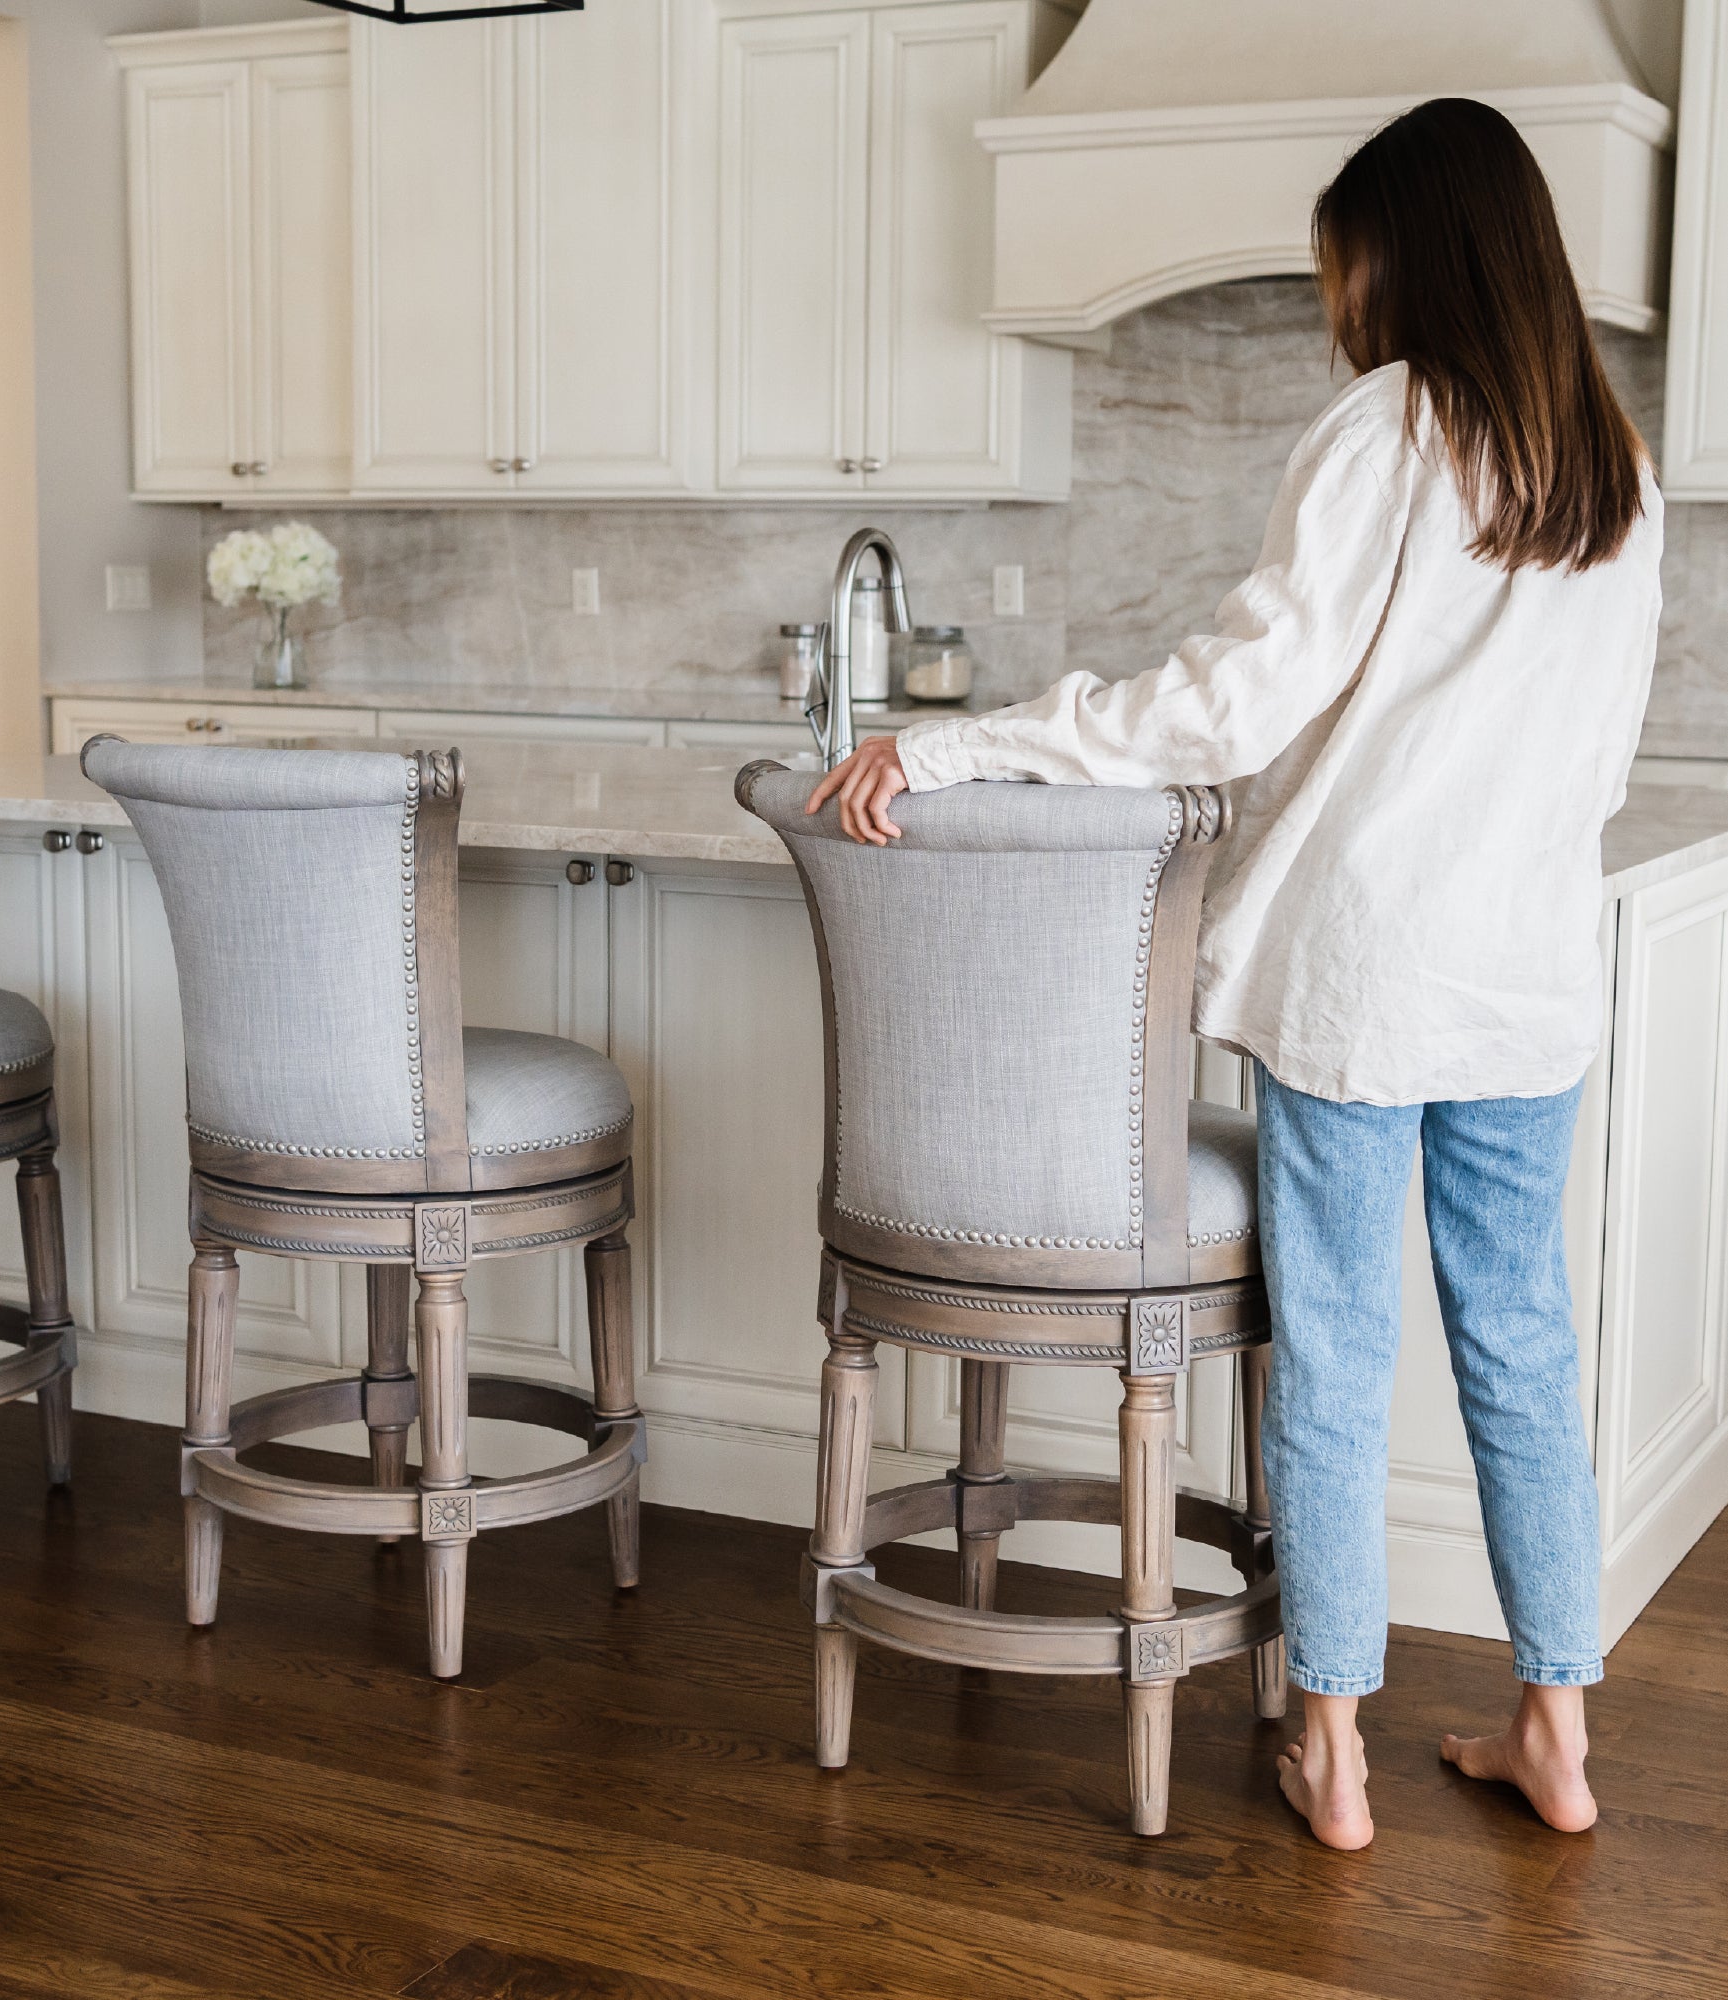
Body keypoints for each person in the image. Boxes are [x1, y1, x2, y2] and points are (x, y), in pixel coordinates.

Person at [807, 96, 1663, 1851]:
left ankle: (1334, 1759)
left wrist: (964, 746)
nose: (1334, 293)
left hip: (1364, 972)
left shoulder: (1390, 429)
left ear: (1405, 251)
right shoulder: (1613, 463)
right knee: (1517, 1339)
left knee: (1336, 1351)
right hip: (1525, 978)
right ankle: (1554, 1734)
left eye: (1343, 257)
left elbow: (1222, 706)